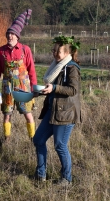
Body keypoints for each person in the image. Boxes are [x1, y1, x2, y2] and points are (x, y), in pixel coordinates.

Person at [33, 35, 82, 186]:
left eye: (58, 51)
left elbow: (73, 89)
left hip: (66, 113)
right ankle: (41, 174)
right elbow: (52, 90)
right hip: (53, 110)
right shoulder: (56, 66)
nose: (54, 54)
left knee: (60, 145)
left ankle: (66, 178)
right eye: (53, 50)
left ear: (67, 53)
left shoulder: (72, 68)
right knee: (38, 140)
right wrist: (39, 92)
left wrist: (54, 87)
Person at [0, 9, 37, 142]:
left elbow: (32, 70)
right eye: (8, 34)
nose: (10, 36)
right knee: (7, 115)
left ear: (17, 36)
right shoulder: (0, 51)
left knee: (28, 113)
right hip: (7, 88)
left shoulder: (25, 50)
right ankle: (7, 139)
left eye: (12, 34)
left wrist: (34, 88)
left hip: (23, 88)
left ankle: (33, 139)